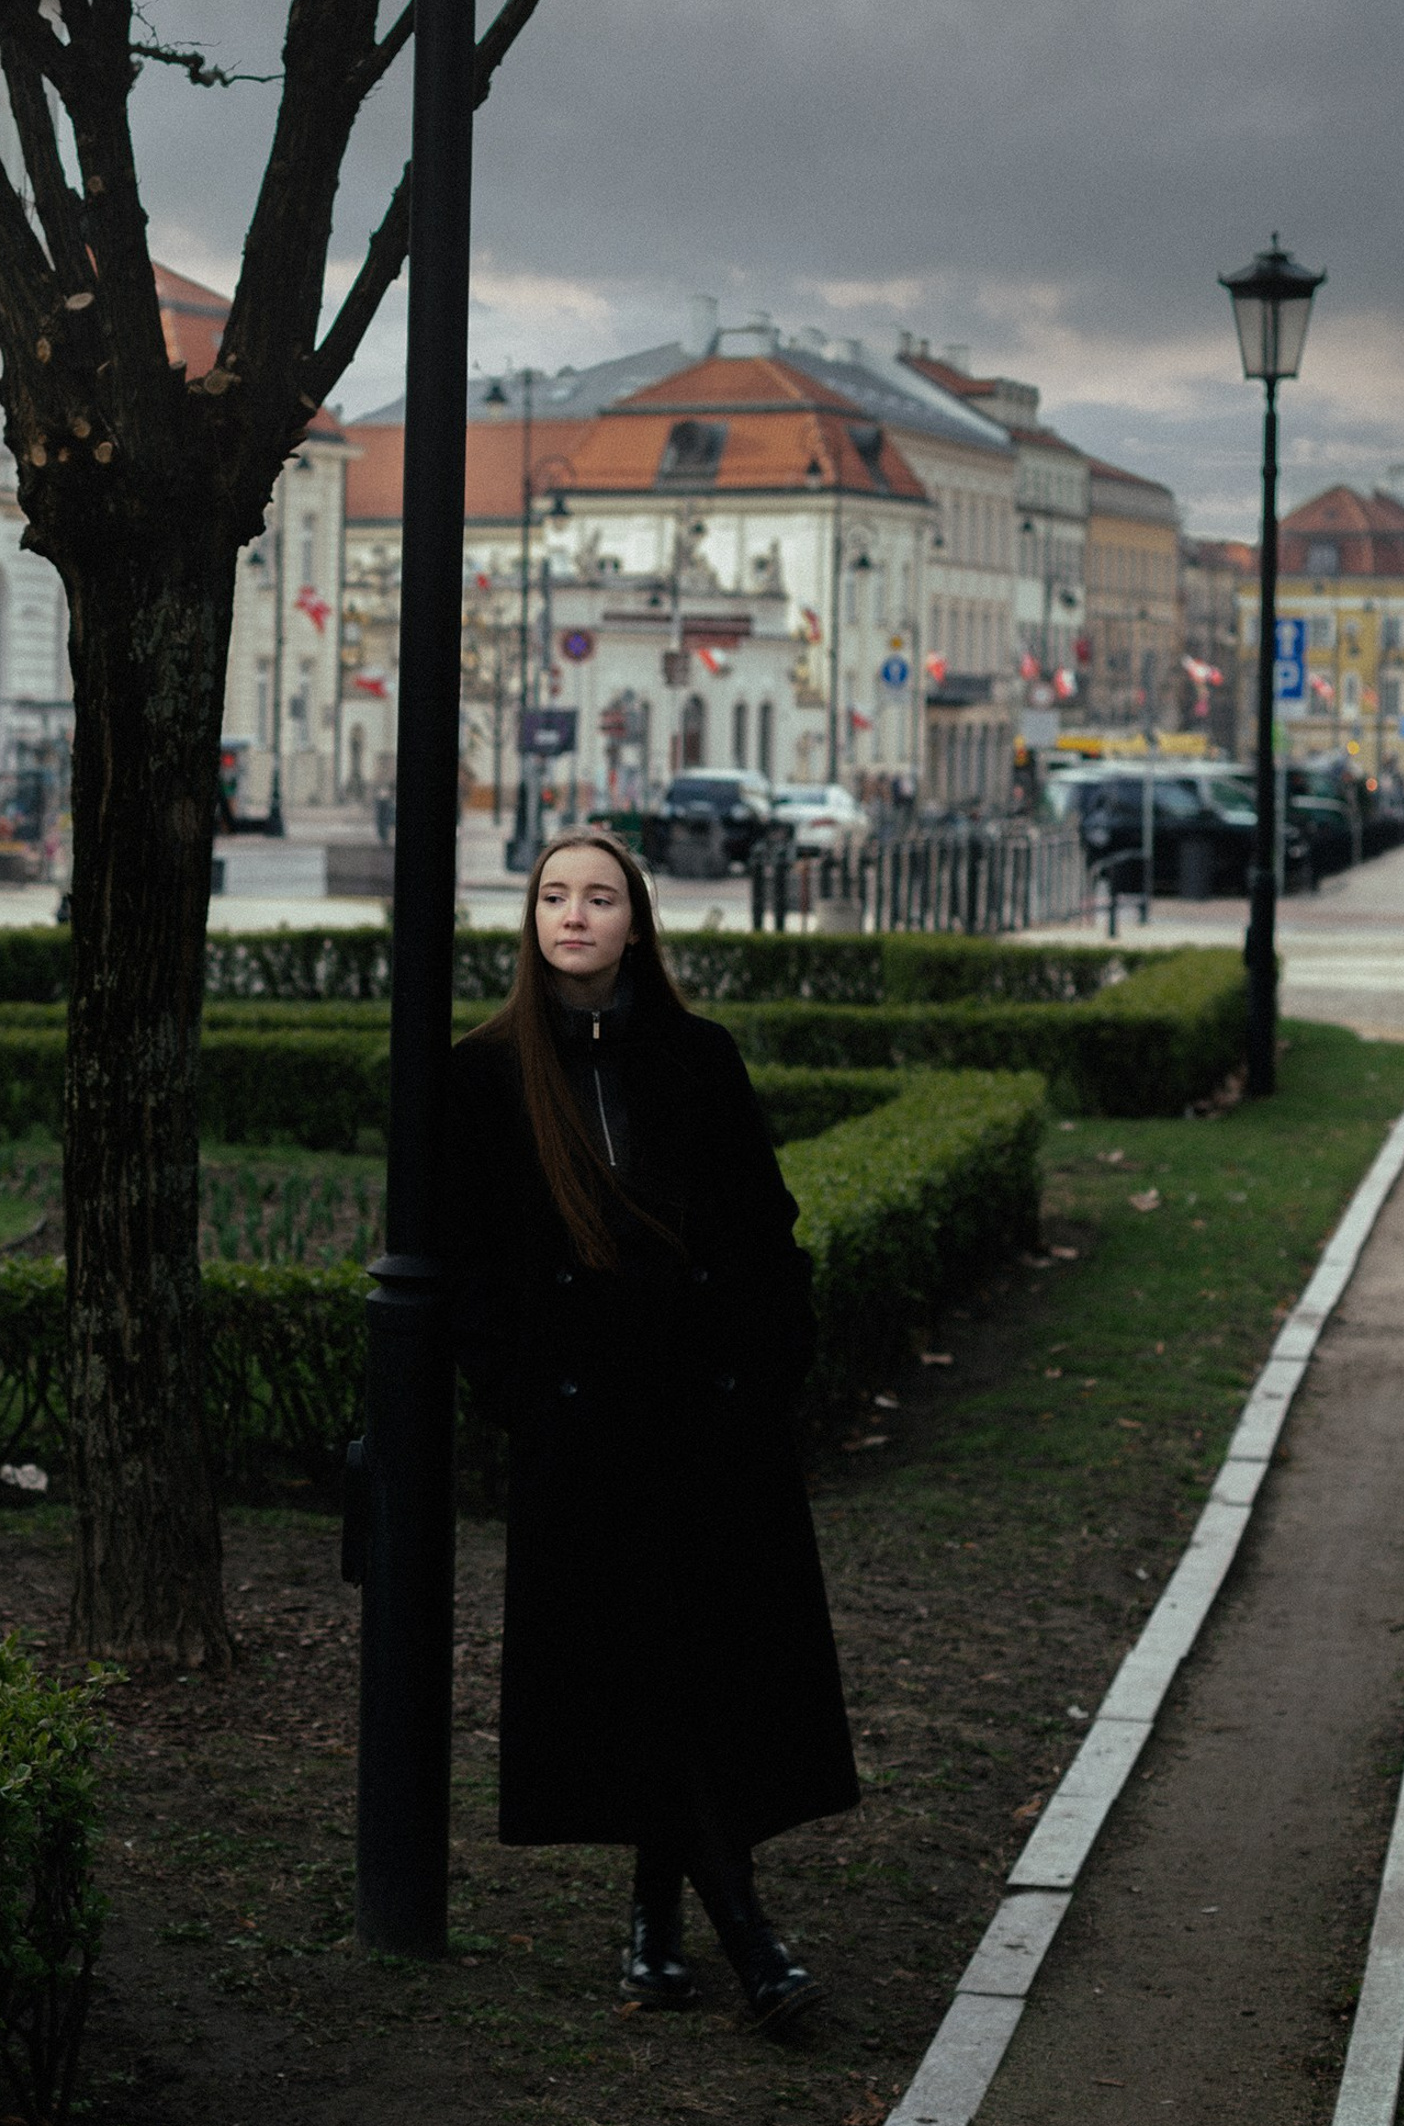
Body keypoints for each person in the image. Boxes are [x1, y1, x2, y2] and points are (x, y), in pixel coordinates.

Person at [446, 826, 858, 2029]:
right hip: (582, 1431)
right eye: (553, 895)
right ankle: (751, 1942)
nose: (573, 915)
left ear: (637, 922)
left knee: (692, 1674)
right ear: (529, 920)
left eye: (600, 897)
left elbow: (765, 1230)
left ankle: (652, 1926)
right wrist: (518, 1396)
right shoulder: (481, 1073)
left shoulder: (697, 1058)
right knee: (641, 1674)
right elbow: (469, 1267)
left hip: (703, 1418)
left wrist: (761, 1369)